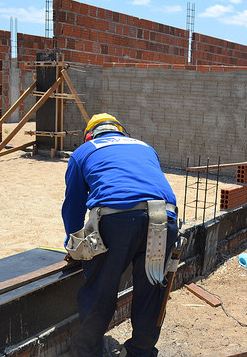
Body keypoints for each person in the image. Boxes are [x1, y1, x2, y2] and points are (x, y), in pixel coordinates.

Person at [62, 113, 178, 357]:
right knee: (151, 289)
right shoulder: (145, 146)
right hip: (164, 218)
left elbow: (73, 206)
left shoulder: (84, 152)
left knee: (100, 289)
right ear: (121, 132)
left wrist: (74, 246)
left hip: (117, 220)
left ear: (89, 135)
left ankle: (87, 351)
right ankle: (141, 352)